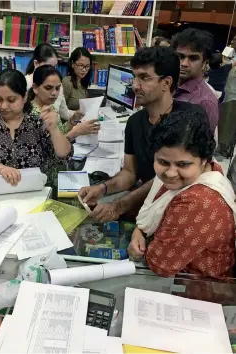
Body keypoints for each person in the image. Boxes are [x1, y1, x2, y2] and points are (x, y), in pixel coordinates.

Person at [79, 47, 209, 222]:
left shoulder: (191, 119)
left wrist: (120, 206)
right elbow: (129, 173)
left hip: (178, 211)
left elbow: (170, 178)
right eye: (134, 77)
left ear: (166, 83)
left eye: (144, 78)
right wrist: (102, 188)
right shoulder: (135, 122)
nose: (134, 86)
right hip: (147, 206)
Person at [128, 110, 236, 279]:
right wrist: (139, 230)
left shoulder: (198, 202)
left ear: (204, 160)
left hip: (198, 290)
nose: (171, 173)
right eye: (163, 162)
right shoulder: (206, 171)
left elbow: (160, 265)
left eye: (183, 164)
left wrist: (140, 233)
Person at [0, 69, 72, 186]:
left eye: (11, 100)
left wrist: (54, 129)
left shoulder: (36, 123)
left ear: (24, 97)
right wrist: (0, 169)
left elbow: (64, 155)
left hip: (31, 193)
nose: (3, 106)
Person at [26, 43, 99, 138]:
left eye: (57, 88)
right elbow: (52, 148)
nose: (54, 93)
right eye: (48, 88)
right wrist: (76, 132)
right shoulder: (33, 115)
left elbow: (61, 130)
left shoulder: (49, 107)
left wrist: (73, 120)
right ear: (35, 88)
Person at [172, 28, 219, 133]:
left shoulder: (205, 102)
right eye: (180, 56)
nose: (184, 63)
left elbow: (204, 146)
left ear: (204, 63)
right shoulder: (169, 84)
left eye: (193, 58)